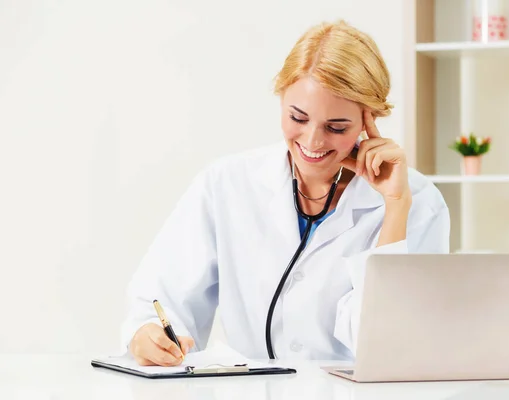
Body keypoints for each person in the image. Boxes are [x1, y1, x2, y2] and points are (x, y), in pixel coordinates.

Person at [122, 20, 450, 367]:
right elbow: (160, 297)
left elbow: (390, 344)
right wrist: (146, 334)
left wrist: (395, 209)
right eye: (298, 117)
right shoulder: (226, 184)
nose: (312, 141)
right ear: (281, 99)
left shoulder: (417, 201)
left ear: (371, 119)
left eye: (336, 127)